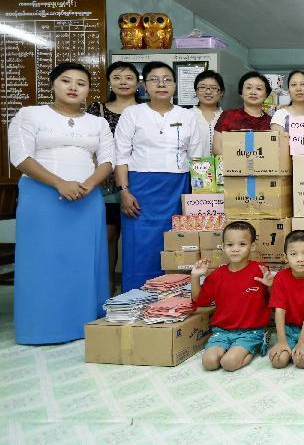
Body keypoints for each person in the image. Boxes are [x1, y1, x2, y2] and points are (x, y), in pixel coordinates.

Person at [9, 62, 114, 344]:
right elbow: (20, 157)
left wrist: (88, 185)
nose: (73, 88)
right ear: (53, 84)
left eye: (81, 83)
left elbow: (107, 160)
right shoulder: (29, 115)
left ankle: (84, 325)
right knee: (42, 261)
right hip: (42, 198)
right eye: (66, 81)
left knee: (84, 261)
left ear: (89, 91)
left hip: (86, 198)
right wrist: (59, 183)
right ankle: (40, 327)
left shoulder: (98, 122)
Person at [115, 61, 204, 292]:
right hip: (140, 189)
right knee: (140, 247)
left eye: (167, 79)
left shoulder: (188, 116)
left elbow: (197, 159)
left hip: (178, 187)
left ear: (175, 85)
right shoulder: (132, 114)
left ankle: (176, 300)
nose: (161, 84)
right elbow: (121, 157)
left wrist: (196, 199)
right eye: (154, 79)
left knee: (177, 244)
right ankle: (135, 299)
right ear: (144, 86)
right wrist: (124, 192)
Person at [190, 221, 276, 371]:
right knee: (209, 363)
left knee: (228, 363)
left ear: (252, 246)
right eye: (230, 245)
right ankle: (232, 349)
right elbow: (199, 301)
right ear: (223, 247)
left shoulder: (260, 270)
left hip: (250, 331)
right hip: (222, 331)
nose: (235, 249)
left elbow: (274, 301)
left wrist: (270, 286)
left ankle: (257, 344)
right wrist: (195, 277)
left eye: (242, 244)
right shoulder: (217, 275)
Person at [86, 61, 140, 296]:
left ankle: (136, 286)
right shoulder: (96, 110)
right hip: (104, 183)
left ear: (138, 83)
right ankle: (107, 286)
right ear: (109, 81)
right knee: (108, 236)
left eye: (129, 77)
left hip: (137, 181)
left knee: (136, 235)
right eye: (117, 77)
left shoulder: (145, 111)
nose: (123, 82)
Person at [266, 230, 304, 370]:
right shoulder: (281, 277)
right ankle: (290, 345)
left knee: (301, 361)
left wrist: (302, 341)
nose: (300, 259)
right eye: (294, 254)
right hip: (289, 328)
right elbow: (279, 310)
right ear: (286, 257)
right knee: (278, 361)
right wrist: (281, 341)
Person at [212, 71, 272, 155]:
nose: (253, 92)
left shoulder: (272, 122)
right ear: (241, 92)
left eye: (259, 88)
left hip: (264, 167)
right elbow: (217, 148)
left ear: (266, 94)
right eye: (248, 88)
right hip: (232, 166)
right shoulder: (228, 116)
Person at [190, 70, 224, 157]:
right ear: (196, 91)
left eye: (213, 88)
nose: (208, 92)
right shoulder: (186, 116)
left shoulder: (228, 118)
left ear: (221, 92)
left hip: (222, 169)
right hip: (192, 169)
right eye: (202, 87)